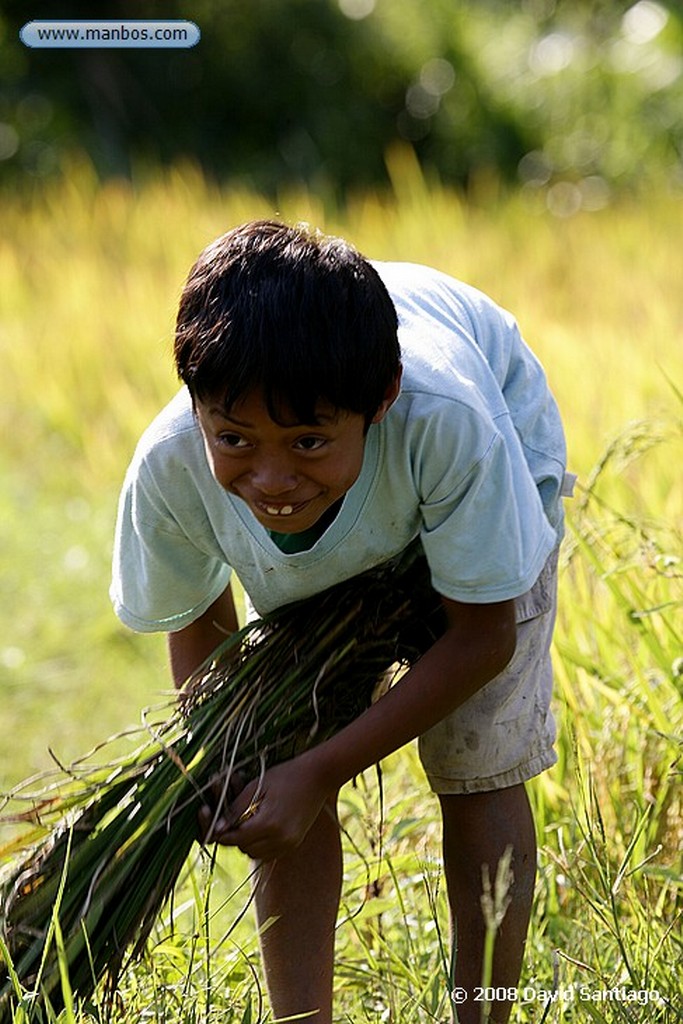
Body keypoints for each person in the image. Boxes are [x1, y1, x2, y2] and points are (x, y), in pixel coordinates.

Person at [110, 219, 572, 1024]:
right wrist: (247, 760)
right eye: (235, 439)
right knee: (279, 768)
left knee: (478, 766)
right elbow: (201, 636)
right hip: (375, 466)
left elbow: (482, 638)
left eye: (309, 440)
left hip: (496, 455)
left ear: (379, 402)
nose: (273, 477)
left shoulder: (448, 423)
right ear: (197, 407)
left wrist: (322, 772)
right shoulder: (173, 465)